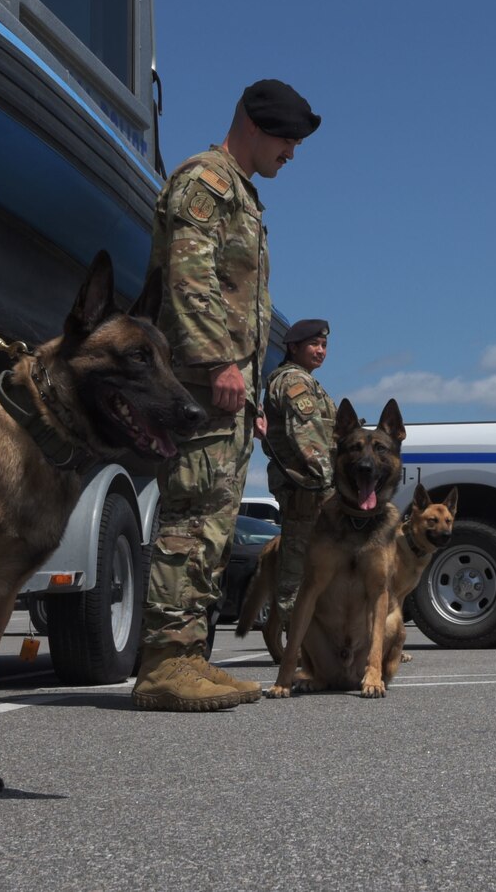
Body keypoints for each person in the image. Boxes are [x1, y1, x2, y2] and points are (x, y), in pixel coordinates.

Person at [132, 79, 319, 711]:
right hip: (196, 383)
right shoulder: (205, 183)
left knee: (214, 523)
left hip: (227, 393)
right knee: (189, 520)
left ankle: (190, 656)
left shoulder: (243, 195)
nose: (291, 154)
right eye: (287, 140)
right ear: (255, 126)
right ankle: (163, 664)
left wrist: (252, 392)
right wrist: (217, 361)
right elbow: (190, 279)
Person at [259, 317, 335, 655]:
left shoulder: (305, 381)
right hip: (307, 489)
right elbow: (309, 442)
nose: (320, 351)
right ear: (293, 347)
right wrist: (333, 484)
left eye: (324, 346)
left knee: (311, 564)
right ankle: (298, 647)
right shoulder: (294, 383)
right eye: (313, 345)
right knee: (297, 567)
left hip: (309, 488)